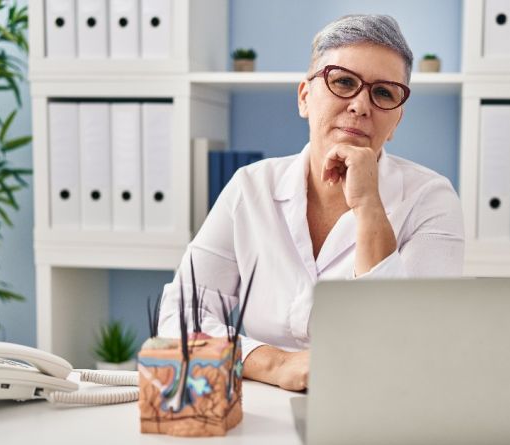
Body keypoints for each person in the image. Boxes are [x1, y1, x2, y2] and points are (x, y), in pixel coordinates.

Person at [157, 14, 464, 392]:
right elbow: (179, 317)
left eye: (384, 93)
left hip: (375, 409)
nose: (360, 105)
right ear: (305, 96)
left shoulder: (431, 199)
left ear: (397, 119)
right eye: (343, 82)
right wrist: (274, 363)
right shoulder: (250, 187)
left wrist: (369, 206)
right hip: (258, 410)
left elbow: (414, 344)